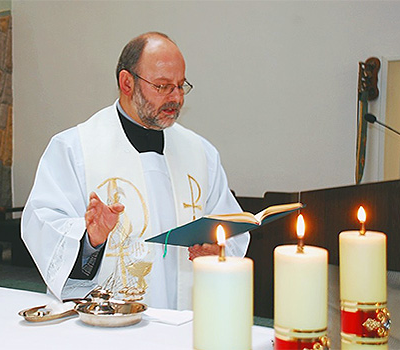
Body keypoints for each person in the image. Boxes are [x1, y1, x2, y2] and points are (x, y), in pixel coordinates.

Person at [21, 32, 249, 310]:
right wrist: (91, 238)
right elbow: (44, 226)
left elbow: (230, 225)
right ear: (127, 83)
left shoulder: (200, 152)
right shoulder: (73, 149)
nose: (176, 97)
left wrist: (218, 251)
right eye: (163, 86)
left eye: (180, 86)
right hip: (110, 325)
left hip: (188, 320)